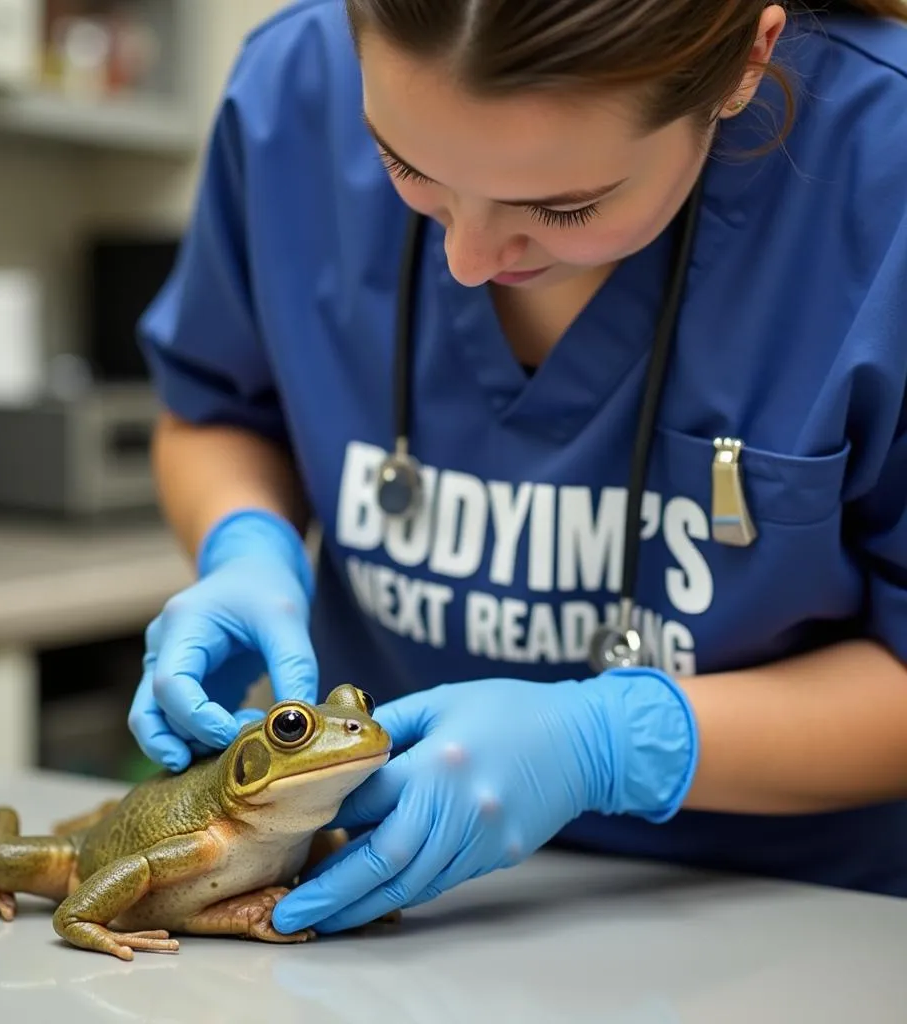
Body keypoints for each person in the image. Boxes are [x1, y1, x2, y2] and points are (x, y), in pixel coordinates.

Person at [127, 0, 907, 934]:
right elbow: (214, 410)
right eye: (404, 165)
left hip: (795, 925)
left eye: (565, 205)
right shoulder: (291, 87)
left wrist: (610, 745)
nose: (466, 259)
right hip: (377, 915)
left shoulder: (882, 170)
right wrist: (243, 541)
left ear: (748, 60)